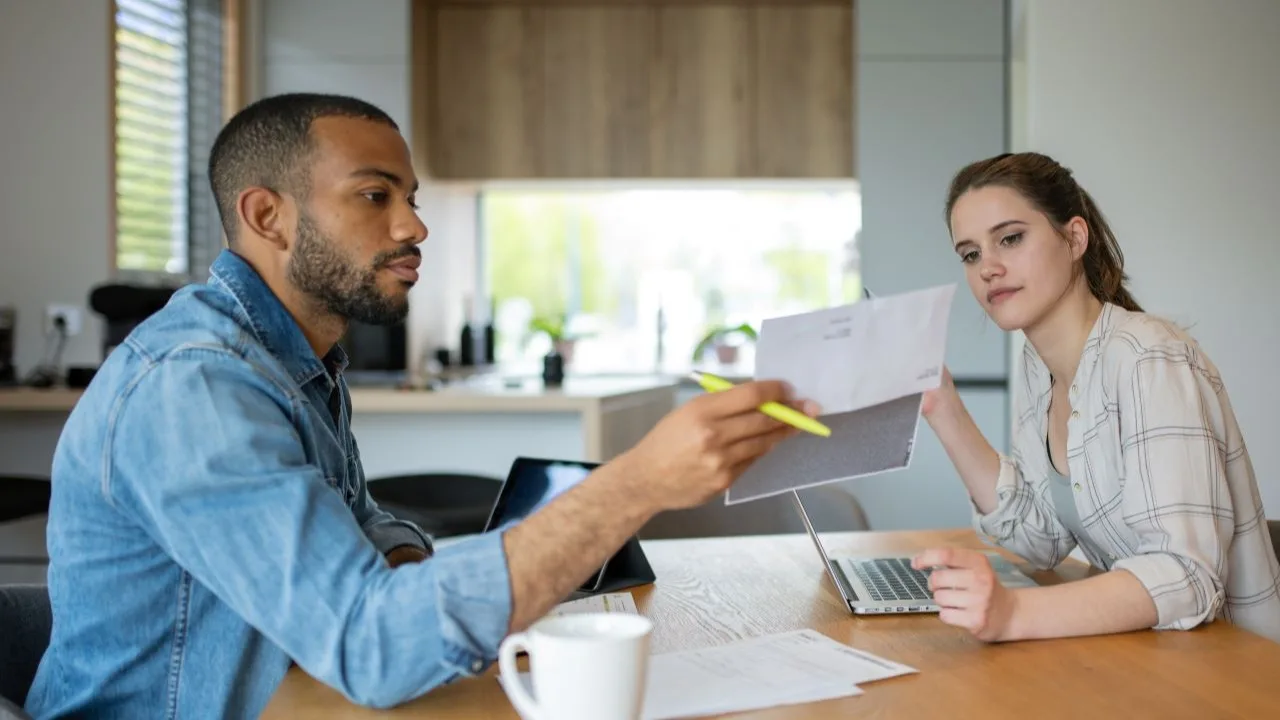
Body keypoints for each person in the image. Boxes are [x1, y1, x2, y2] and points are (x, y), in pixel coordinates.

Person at [24, 93, 819, 719]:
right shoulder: (196, 387)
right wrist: (637, 483)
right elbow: (370, 646)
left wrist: (410, 571)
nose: (414, 226)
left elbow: (362, 538)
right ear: (267, 216)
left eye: (408, 195)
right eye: (375, 196)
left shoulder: (295, 362)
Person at [911, 151, 1280, 644]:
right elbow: (1041, 539)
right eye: (971, 253)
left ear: (1074, 238)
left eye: (1011, 238)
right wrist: (944, 407)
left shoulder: (1149, 357)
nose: (988, 268)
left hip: (1232, 674)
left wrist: (1014, 612)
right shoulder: (1040, 369)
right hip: (1149, 657)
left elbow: (1187, 577)